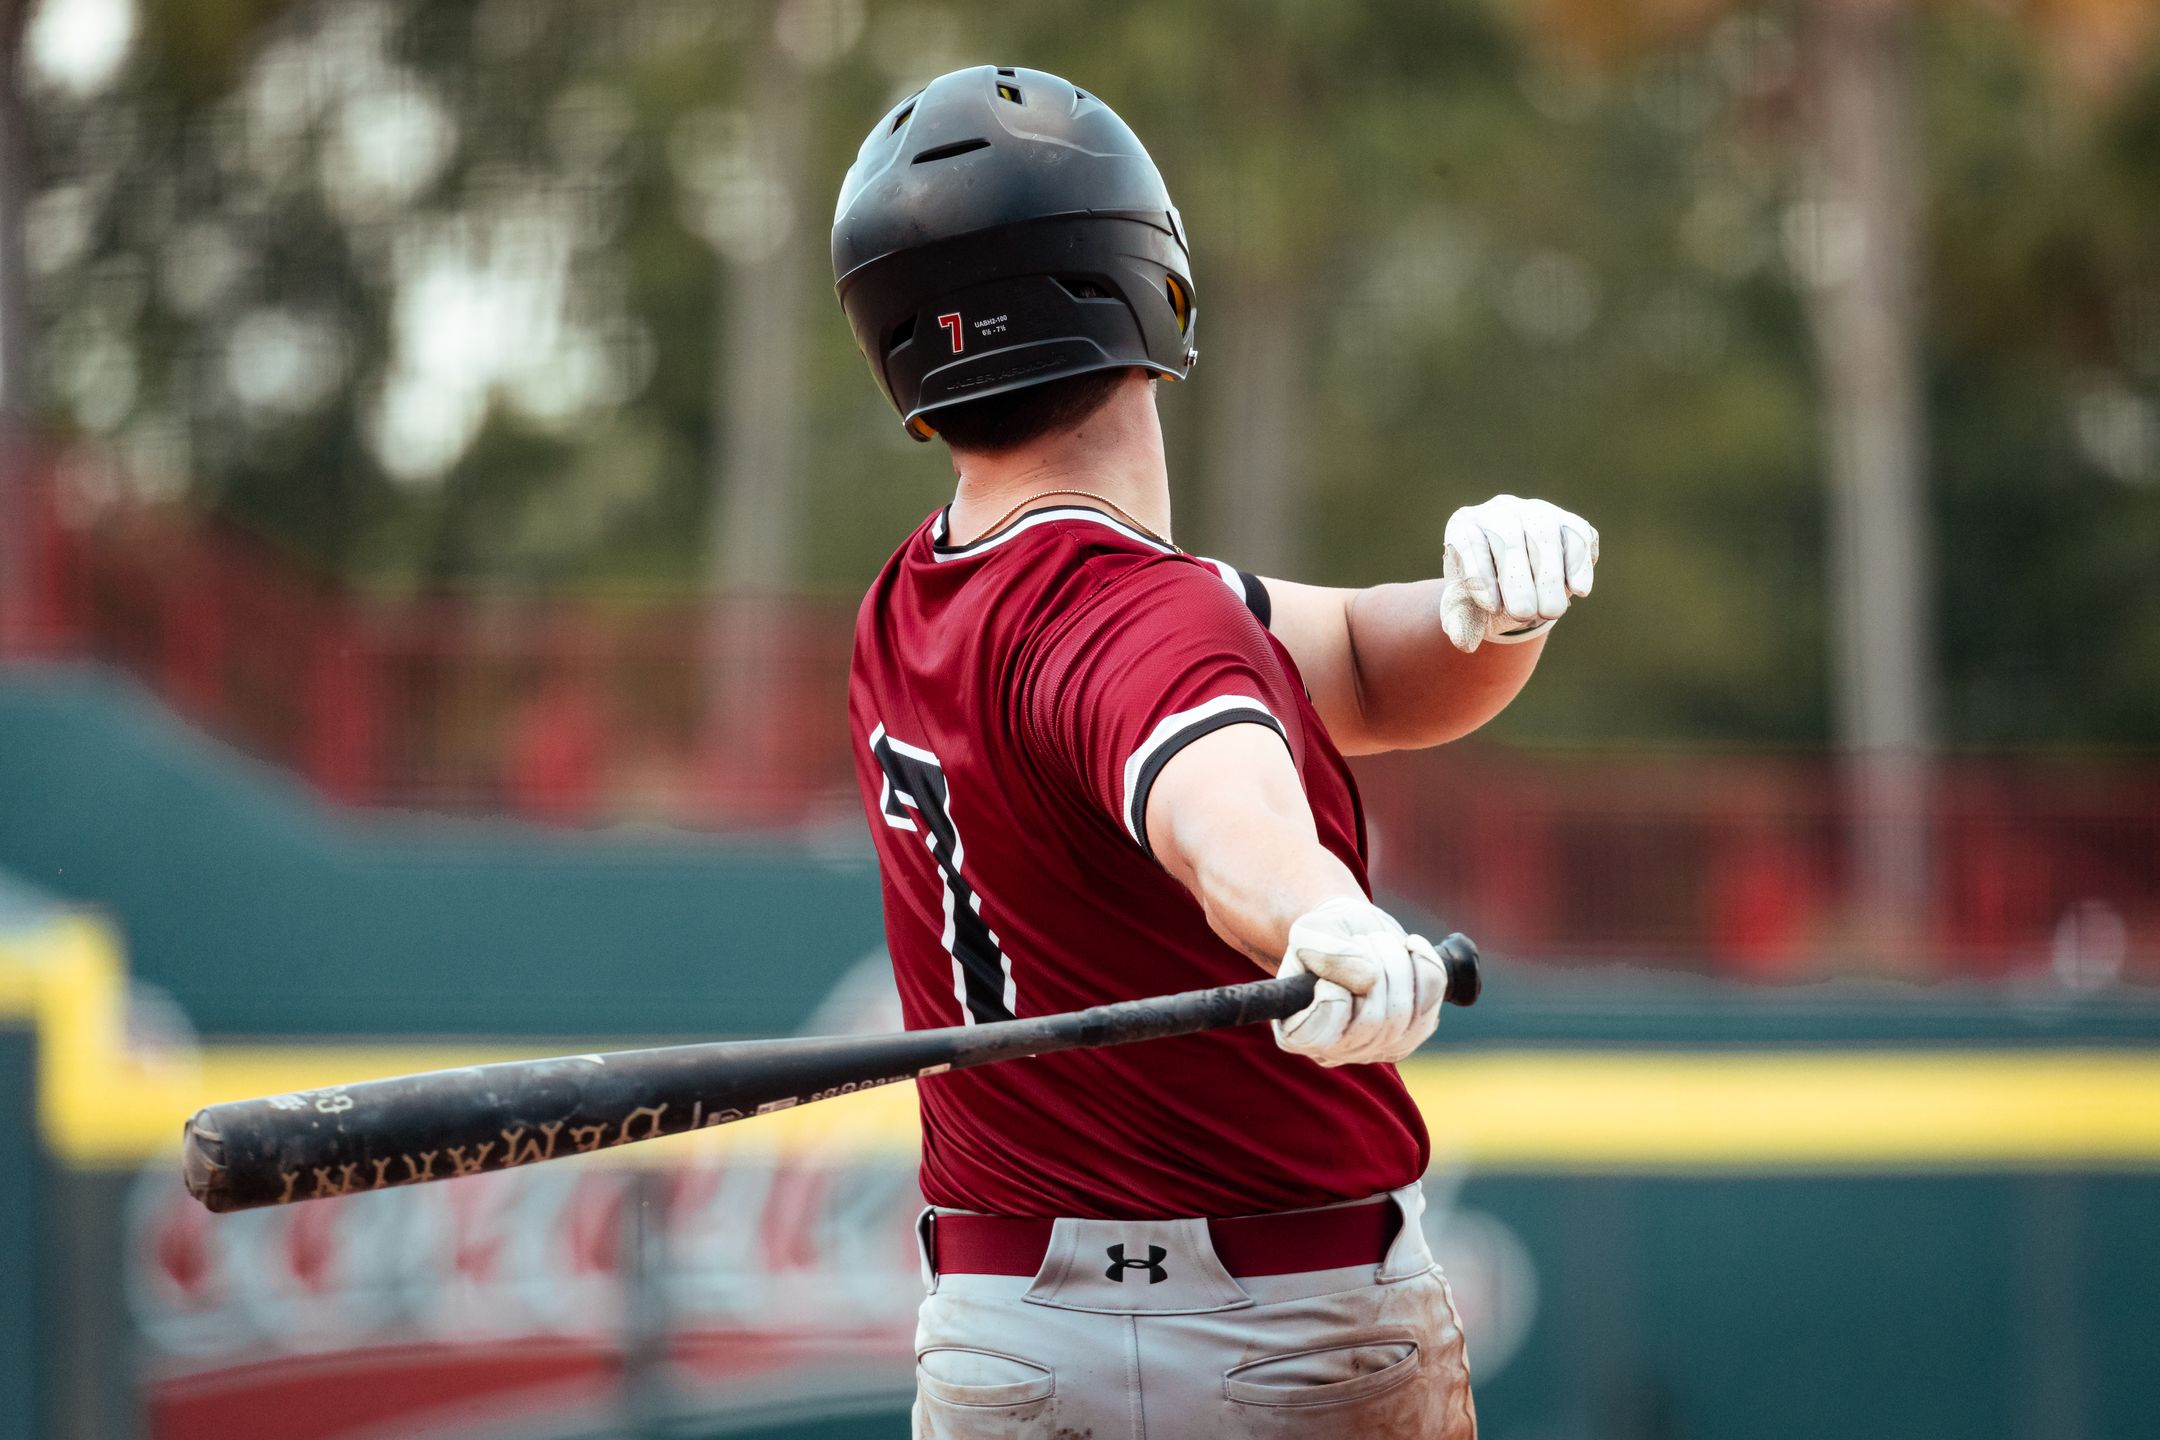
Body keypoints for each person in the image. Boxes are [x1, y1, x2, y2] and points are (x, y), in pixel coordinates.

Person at [833, 66, 1596, 1439]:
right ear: (1149, 282)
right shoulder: (1142, 618)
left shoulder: (914, 603)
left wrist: (1490, 617)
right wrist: (1318, 917)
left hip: (1010, 1354)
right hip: (1294, 1345)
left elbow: (1355, 663)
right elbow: (1221, 812)